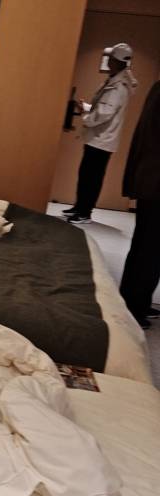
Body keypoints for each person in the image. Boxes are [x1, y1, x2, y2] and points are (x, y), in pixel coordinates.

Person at [63, 43, 137, 224]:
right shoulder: (114, 81)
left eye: (111, 58)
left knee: (92, 177)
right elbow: (103, 108)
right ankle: (80, 206)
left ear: (117, 61)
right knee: (86, 175)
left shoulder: (119, 86)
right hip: (98, 138)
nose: (108, 60)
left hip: (102, 140)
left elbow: (104, 113)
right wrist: (86, 107)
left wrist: (86, 117)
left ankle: (84, 212)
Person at [119, 79, 160, 329]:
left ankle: (137, 301)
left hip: (151, 179)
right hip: (156, 183)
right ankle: (134, 306)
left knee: (146, 246)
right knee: (149, 249)